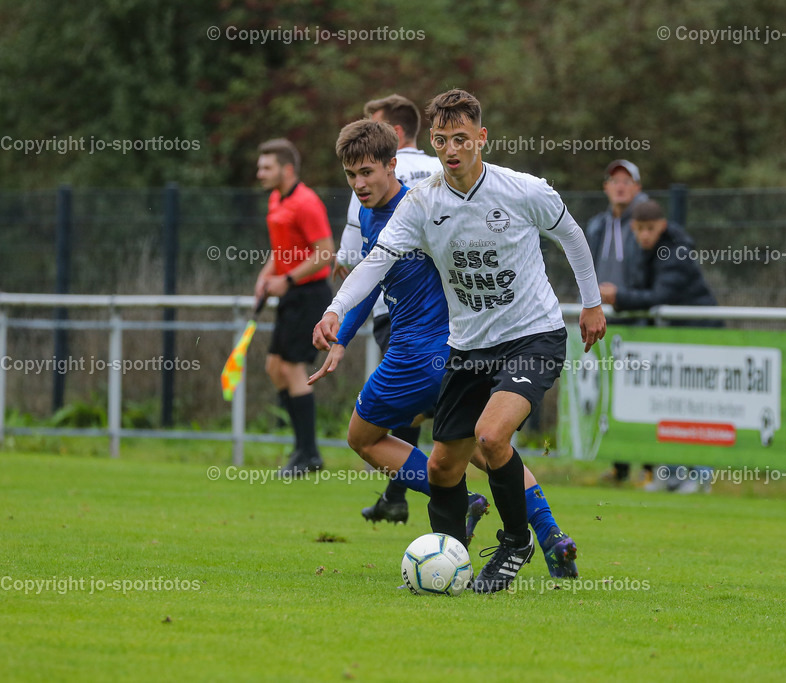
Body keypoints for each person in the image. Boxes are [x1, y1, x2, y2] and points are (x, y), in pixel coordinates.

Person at [314, 89, 606, 593]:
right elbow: (376, 262)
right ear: (432, 141)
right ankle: (449, 563)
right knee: (443, 466)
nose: (452, 150)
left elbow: (572, 235)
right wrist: (336, 309)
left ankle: (517, 541)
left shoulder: (523, 190)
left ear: (481, 139)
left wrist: (593, 303)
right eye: (443, 140)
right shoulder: (422, 202)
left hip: (533, 336)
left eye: (462, 139)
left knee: (491, 437)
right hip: (468, 348)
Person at [333, 95, 443, 523]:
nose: (360, 181)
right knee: (472, 440)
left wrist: (339, 315)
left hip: (407, 327)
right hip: (469, 330)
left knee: (383, 424)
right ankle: (547, 532)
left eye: (365, 170)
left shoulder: (378, 204)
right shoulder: (444, 173)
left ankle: (422, 494)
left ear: (392, 148)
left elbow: (352, 266)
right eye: (352, 174)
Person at [602, 199, 721, 493]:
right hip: (675, 341)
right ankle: (671, 472)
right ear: (633, 228)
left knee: (697, 408)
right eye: (639, 229)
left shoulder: (675, 251)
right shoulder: (644, 251)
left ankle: (701, 476)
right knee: (672, 406)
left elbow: (658, 295)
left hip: (701, 337)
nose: (644, 235)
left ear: (662, 226)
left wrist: (620, 297)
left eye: (650, 229)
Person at [254, 138, 334, 476]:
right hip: (290, 295)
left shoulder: (306, 202)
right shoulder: (276, 200)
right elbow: (282, 250)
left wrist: (287, 280)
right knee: (275, 367)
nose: (260, 173)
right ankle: (303, 448)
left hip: (310, 294)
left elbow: (326, 252)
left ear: (287, 169)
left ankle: (309, 453)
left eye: (266, 167)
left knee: (292, 368)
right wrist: (266, 276)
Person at [586, 159, 647, 484]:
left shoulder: (646, 221)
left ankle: (651, 467)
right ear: (606, 187)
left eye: (627, 180)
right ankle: (620, 466)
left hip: (640, 319)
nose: (620, 186)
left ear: (637, 187)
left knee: (642, 395)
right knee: (611, 395)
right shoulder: (597, 225)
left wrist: (624, 295)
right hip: (605, 323)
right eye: (614, 180)